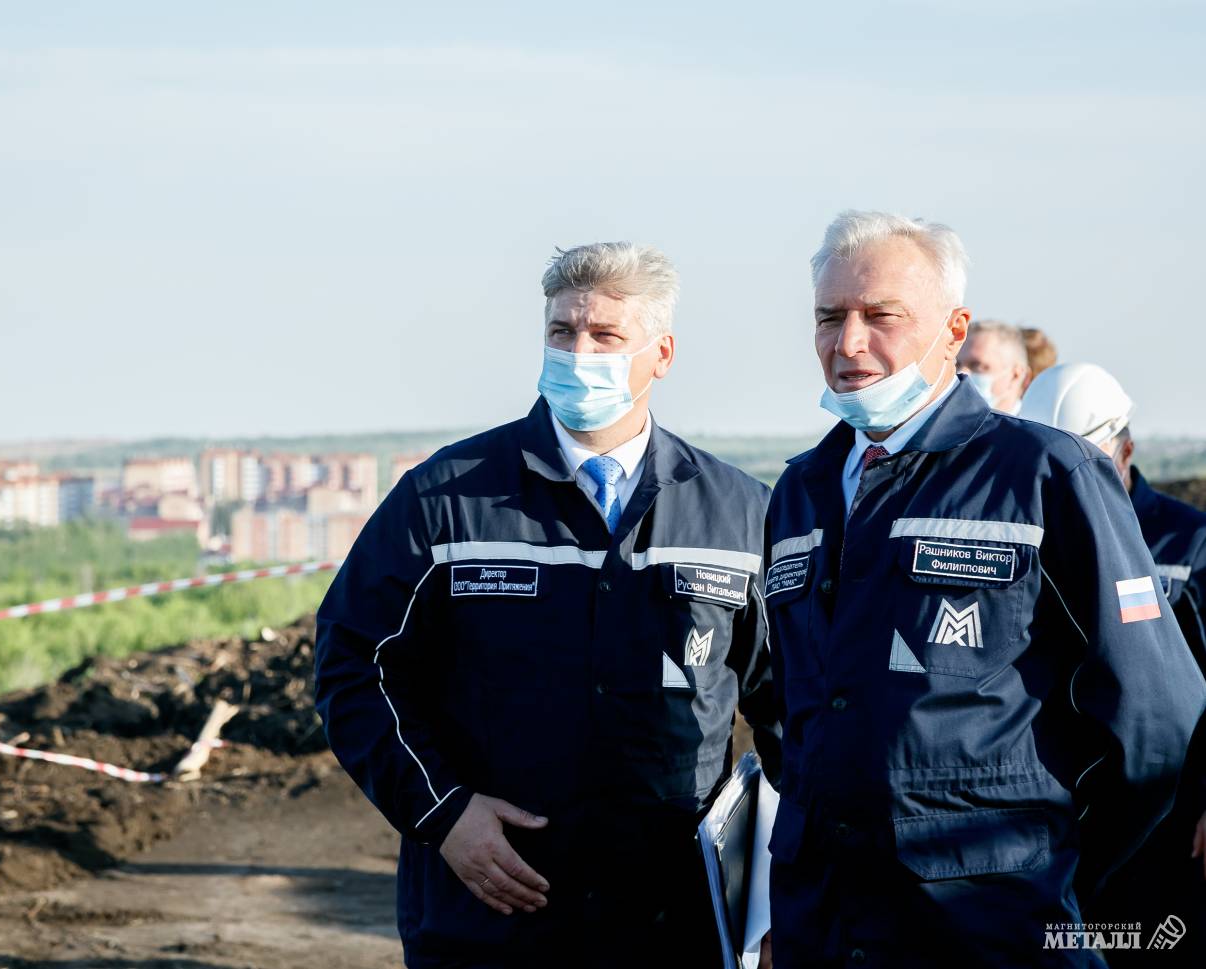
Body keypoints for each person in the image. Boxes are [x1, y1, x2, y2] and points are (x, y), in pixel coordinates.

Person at [313, 242, 780, 968]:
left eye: (605, 336)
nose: (577, 353)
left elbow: (796, 708)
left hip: (674, 918)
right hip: (491, 917)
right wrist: (445, 812)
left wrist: (787, 887)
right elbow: (355, 664)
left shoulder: (739, 516)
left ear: (662, 353)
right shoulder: (446, 498)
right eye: (562, 332)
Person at [762, 210, 1205, 968]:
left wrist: (1050, 862)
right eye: (829, 317)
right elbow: (792, 710)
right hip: (825, 923)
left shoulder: (1044, 474)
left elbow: (1157, 718)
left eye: (881, 316)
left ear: (953, 327)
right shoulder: (801, 490)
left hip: (991, 929)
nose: (849, 343)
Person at [1020, 363, 1206, 964]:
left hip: (1167, 816)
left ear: (1124, 449)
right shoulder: (1026, 532)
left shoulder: (1189, 543)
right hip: (1057, 811)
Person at [956, 318, 1030, 413]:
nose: (961, 373)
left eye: (977, 366)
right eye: (957, 365)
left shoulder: (1041, 423)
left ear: (1015, 376)